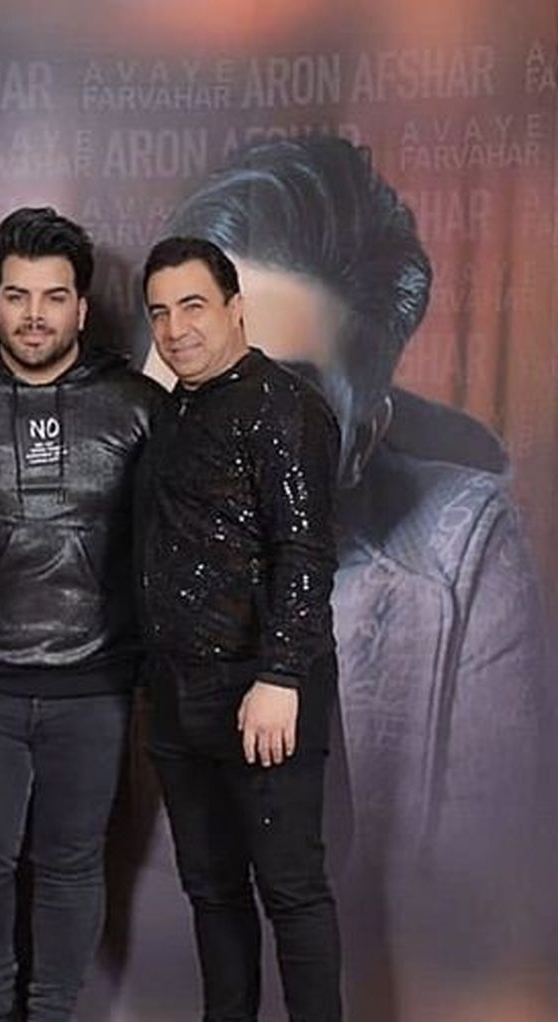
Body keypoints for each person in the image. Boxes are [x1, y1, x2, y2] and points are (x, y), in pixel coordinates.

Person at [161, 137, 548, 995]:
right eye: (192, 368)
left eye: (280, 392)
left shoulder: (460, 555)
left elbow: (476, 942)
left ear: (361, 439)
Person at [0, 206, 165, 1022]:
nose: (33, 315)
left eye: (53, 297)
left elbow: (163, 539)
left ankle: (50, 1014)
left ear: (82, 308)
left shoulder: (138, 405)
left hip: (95, 682)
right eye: (17, 295)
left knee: (71, 862)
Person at [136, 236, 343, 1022]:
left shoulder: (283, 407)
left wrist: (281, 675)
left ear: (234, 308)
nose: (175, 328)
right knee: (212, 891)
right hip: (178, 692)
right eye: (159, 312)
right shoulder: (171, 410)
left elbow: (305, 549)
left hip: (260, 690)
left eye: (192, 306)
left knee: (290, 891)